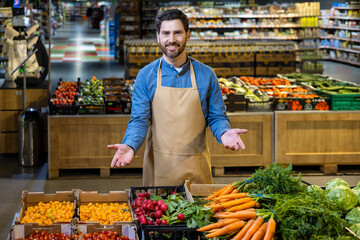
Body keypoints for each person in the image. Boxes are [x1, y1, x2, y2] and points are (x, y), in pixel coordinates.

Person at [107, 9, 247, 186]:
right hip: (160, 167)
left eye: (178, 33)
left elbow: (216, 116)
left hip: (195, 165)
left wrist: (224, 132)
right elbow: (139, 120)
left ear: (187, 35)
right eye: (166, 33)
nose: (171, 39)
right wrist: (130, 145)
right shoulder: (146, 75)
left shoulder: (206, 75)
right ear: (158, 37)